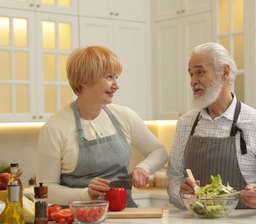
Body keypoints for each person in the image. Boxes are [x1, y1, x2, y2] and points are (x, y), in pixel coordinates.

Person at [167, 42, 256, 210]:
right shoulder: (185, 124)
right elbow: (174, 178)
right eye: (191, 74)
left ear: (224, 73)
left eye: (200, 72)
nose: (193, 81)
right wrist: (182, 195)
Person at [37, 46, 168, 207]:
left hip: (124, 218)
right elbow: (44, 190)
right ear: (84, 80)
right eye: (109, 77)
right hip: (79, 222)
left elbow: (159, 151)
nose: (116, 85)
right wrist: (85, 194)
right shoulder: (55, 128)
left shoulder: (124, 116)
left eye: (116, 77)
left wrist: (143, 168)